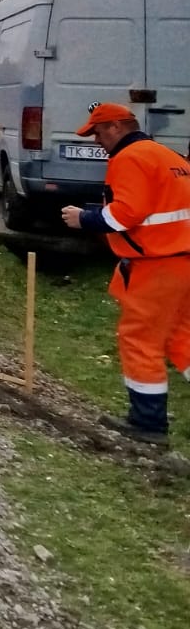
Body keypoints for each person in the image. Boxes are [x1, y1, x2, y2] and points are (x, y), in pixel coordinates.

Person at [60, 102, 190, 446]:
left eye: (99, 133)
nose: (97, 141)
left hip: (158, 264)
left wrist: (84, 219)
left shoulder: (129, 159)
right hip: (182, 259)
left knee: (140, 340)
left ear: (117, 127)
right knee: (179, 337)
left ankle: (147, 424)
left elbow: (126, 215)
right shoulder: (168, 156)